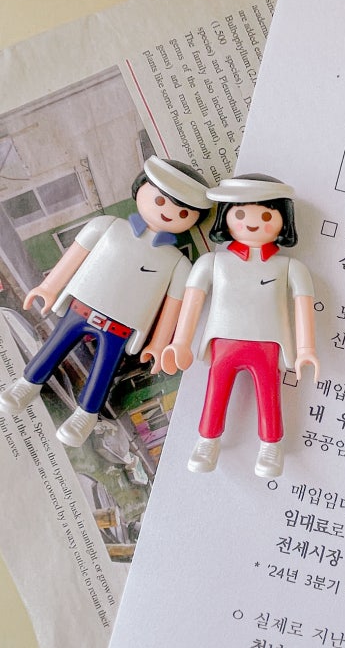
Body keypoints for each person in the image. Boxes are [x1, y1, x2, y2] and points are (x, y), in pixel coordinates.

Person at [0, 157, 211, 447]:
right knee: (53, 347)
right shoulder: (106, 226)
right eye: (160, 200)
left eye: (183, 211)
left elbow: (172, 308)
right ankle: (28, 383)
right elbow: (74, 257)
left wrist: (159, 343)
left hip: (120, 329)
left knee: (103, 370)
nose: (167, 212)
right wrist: (48, 288)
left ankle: (86, 414)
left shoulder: (178, 264)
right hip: (80, 308)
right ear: (140, 189)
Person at [161, 174, 320, 478]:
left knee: (269, 394)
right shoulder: (212, 263)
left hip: (268, 343)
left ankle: (271, 445)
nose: (253, 223)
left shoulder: (290, 267)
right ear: (226, 217)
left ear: (283, 220)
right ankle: (207, 440)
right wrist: (181, 342)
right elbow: (192, 300)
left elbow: (304, 306)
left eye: (266, 216)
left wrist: (306, 349)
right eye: (241, 214)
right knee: (215, 391)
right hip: (224, 341)